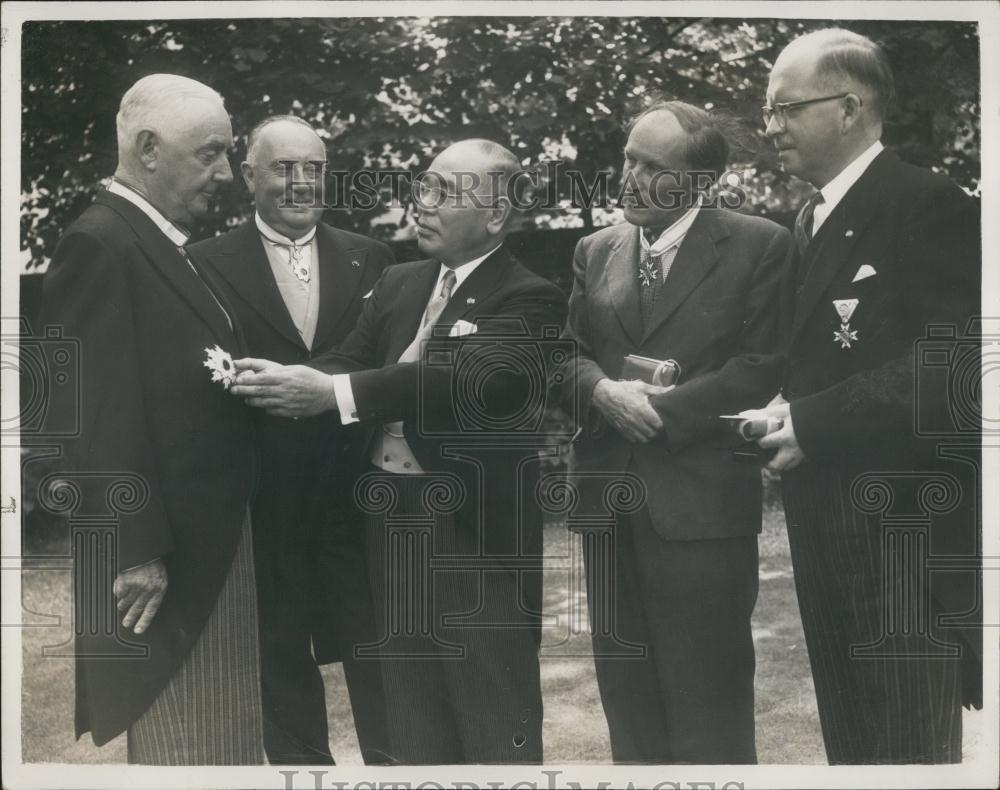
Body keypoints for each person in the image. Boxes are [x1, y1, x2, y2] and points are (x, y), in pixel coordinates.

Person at [231, 139, 568, 763]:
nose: (423, 203)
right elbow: (351, 359)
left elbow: (457, 379)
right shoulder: (400, 282)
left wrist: (331, 392)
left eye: (445, 192)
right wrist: (281, 379)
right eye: (423, 186)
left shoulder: (531, 296)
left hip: (469, 532)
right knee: (409, 713)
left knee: (492, 711)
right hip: (384, 521)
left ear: (496, 215)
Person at [756, 28, 982, 763]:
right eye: (769, 110)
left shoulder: (929, 202)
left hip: (903, 539)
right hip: (825, 525)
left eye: (787, 107)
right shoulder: (809, 219)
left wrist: (810, 422)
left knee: (908, 750)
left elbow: (954, 363)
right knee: (853, 751)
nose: (772, 126)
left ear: (850, 107)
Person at [40, 74, 264, 764]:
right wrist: (135, 550)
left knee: (222, 745)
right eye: (209, 154)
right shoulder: (100, 242)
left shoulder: (160, 241)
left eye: (227, 154)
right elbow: (88, 414)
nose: (225, 174)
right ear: (148, 149)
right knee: (188, 750)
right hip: (164, 566)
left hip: (209, 548)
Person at [560, 100, 791, 764]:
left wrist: (664, 411)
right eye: (628, 159)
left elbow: (762, 365)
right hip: (608, 505)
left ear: (701, 181)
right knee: (628, 708)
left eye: (651, 167)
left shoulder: (761, 244)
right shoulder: (594, 249)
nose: (628, 178)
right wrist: (600, 391)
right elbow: (563, 356)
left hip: (702, 508)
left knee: (708, 709)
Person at [187, 116, 394, 765]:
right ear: (249, 177)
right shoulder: (202, 263)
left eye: (313, 168)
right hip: (263, 500)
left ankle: (394, 770)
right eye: (283, 168)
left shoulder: (372, 257)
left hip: (356, 496)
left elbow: (385, 368)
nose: (301, 182)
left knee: (380, 654)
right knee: (278, 659)